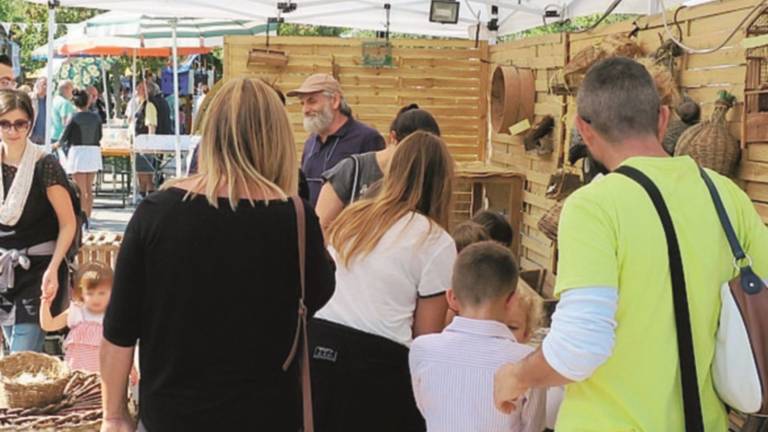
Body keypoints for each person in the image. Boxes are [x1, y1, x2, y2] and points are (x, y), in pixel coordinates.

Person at [493, 57, 768, 431]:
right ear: (663, 119)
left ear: (583, 130)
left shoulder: (594, 207)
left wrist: (516, 376)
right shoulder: (727, 198)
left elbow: (579, 348)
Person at [100, 77, 336, 432]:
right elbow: (316, 295)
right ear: (277, 139)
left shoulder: (157, 212)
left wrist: (113, 415)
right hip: (268, 416)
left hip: (172, 416)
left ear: (211, 134)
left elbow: (119, 330)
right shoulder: (297, 219)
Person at [310, 131, 455, 432]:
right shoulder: (436, 240)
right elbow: (425, 337)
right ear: (444, 184)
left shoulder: (355, 215)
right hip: (378, 363)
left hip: (319, 346)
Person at [410, 241, 546, 432]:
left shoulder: (421, 349)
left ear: (452, 298)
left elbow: (426, 409)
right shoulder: (528, 361)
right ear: (512, 300)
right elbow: (533, 428)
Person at [0, 90, 76, 353]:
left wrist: (54, 267)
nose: (12, 130)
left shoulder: (45, 165)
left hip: (38, 270)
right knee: (14, 354)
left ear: (30, 124)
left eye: (20, 123)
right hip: (4, 271)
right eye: (5, 123)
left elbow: (68, 223)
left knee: (20, 353)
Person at [316, 104, 441, 230]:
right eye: (410, 151)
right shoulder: (351, 170)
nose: (415, 161)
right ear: (393, 138)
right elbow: (321, 226)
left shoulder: (424, 178)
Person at [288, 73, 385, 206]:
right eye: (302, 103)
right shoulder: (310, 143)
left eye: (311, 101)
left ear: (335, 101)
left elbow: (377, 195)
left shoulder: (367, 139)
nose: (305, 109)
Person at [40, 261, 112, 373]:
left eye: (101, 293)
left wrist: (130, 366)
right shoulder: (77, 310)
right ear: (81, 292)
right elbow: (48, 325)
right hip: (77, 375)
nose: (96, 298)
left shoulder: (111, 313)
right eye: (90, 293)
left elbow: (121, 345)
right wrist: (45, 302)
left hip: (106, 375)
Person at [59, 88, 103, 218]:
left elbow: (64, 137)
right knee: (89, 189)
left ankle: (81, 218)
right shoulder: (96, 117)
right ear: (88, 102)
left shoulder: (73, 117)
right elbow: (99, 135)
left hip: (78, 152)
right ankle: (88, 217)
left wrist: (56, 145)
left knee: (80, 190)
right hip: (93, 151)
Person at [51, 80, 76, 147]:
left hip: (53, 134)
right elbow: (65, 123)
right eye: (72, 89)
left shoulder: (55, 100)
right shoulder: (65, 103)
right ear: (66, 89)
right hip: (62, 138)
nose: (73, 92)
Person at [29, 77, 47, 145]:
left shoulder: (49, 100)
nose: (46, 87)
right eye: (44, 84)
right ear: (37, 86)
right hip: (32, 135)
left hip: (45, 136)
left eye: (48, 85)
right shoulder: (30, 98)